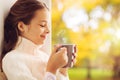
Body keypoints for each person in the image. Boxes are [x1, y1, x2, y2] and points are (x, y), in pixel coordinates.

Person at [0, 0, 76, 80]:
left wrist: (62, 70)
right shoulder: (12, 60)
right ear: (21, 27)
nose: (48, 31)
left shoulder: (44, 57)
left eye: (48, 26)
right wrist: (51, 70)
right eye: (42, 25)